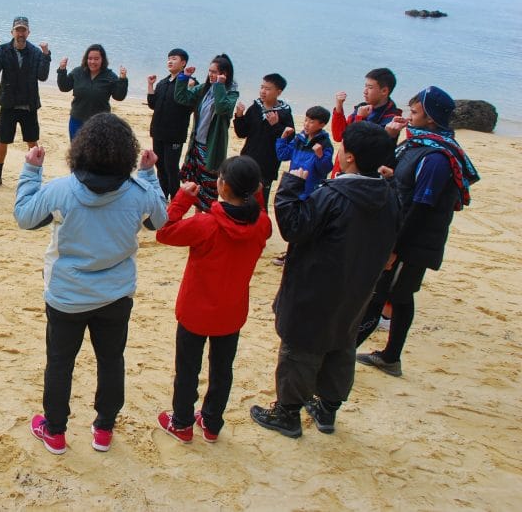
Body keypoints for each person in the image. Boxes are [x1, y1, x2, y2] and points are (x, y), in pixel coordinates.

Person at [15, 113, 167, 454]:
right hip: (115, 295)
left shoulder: (61, 190)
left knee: (60, 361)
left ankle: (55, 431)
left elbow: (24, 216)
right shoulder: (138, 192)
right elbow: (160, 219)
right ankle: (104, 429)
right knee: (111, 360)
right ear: (126, 153)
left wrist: (31, 170)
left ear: (81, 150)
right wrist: (149, 175)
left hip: (67, 296)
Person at [250, 123, 399, 438]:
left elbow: (293, 227)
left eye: (342, 147)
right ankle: (327, 408)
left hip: (316, 287)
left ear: (349, 158)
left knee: (300, 348)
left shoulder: (335, 195)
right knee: (341, 344)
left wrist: (290, 186)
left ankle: (287, 413)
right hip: (356, 288)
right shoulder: (388, 194)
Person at [356, 87, 479, 377]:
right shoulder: (419, 144)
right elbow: (404, 181)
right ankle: (390, 357)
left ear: (432, 118)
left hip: (413, 241)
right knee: (399, 296)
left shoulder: (436, 157)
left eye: (414, 112)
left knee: (379, 295)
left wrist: (395, 248)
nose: (408, 116)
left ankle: (342, 351)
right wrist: (391, 162)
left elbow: (422, 206)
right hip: (405, 235)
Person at [155, 156, 271, 443]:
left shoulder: (206, 225)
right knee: (222, 370)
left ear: (222, 185)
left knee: (187, 370)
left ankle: (181, 422)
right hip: (231, 312)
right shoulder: (263, 225)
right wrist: (255, 191)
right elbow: (259, 211)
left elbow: (164, 231)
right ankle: (211, 422)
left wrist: (181, 199)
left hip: (196, 311)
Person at [0, 16, 52, 188]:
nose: (21, 33)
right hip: (8, 104)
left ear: (28, 32)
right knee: (3, 140)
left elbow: (43, 76)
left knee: (32, 142)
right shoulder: (3, 50)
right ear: (12, 32)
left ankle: (35, 175)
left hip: (29, 105)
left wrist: (46, 55)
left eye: (24, 30)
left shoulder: (36, 52)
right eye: (18, 30)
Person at [174, 54, 239, 212]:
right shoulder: (204, 88)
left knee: (209, 187)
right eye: (210, 71)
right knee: (194, 183)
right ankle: (197, 217)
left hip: (211, 148)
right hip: (196, 144)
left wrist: (219, 86)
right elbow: (181, 98)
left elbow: (223, 108)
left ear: (225, 74)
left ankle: (207, 219)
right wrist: (184, 78)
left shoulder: (231, 93)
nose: (211, 74)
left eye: (215, 72)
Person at [233, 73, 294, 208]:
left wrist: (276, 126)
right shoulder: (256, 107)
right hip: (248, 159)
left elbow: (289, 140)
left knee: (260, 203)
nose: (263, 91)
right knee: (241, 198)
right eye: (262, 87)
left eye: (267, 88)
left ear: (278, 92)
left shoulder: (284, 113)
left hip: (267, 165)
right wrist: (239, 116)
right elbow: (242, 133)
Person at [331, 67, 401, 176]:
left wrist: (360, 118)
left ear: (384, 91)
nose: (365, 91)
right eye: (365, 86)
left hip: (357, 175)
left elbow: (361, 147)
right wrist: (339, 108)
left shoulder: (392, 120)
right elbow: (338, 136)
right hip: (341, 168)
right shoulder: (362, 108)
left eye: (370, 87)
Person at [146, 48, 196, 200]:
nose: (170, 61)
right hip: (158, 132)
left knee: (171, 168)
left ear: (183, 63)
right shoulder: (162, 83)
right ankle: (163, 196)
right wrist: (150, 85)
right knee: (160, 166)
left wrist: (190, 87)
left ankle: (175, 198)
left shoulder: (190, 82)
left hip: (175, 134)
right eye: (169, 58)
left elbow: (190, 106)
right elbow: (152, 104)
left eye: (174, 58)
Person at [56, 44, 128, 141]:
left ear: (102, 60)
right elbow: (64, 87)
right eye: (90, 58)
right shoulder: (78, 72)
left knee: (96, 152)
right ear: (86, 59)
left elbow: (119, 96)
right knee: (76, 152)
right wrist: (62, 70)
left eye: (96, 59)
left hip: (100, 122)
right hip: (77, 119)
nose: (92, 62)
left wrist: (123, 80)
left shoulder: (110, 76)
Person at [275, 106, 335, 200]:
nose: (306, 124)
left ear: (322, 125)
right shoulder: (299, 139)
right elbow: (282, 155)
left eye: (311, 122)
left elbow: (325, 170)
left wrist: (320, 156)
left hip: (311, 191)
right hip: (293, 184)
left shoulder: (324, 144)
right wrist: (283, 138)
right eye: (306, 120)